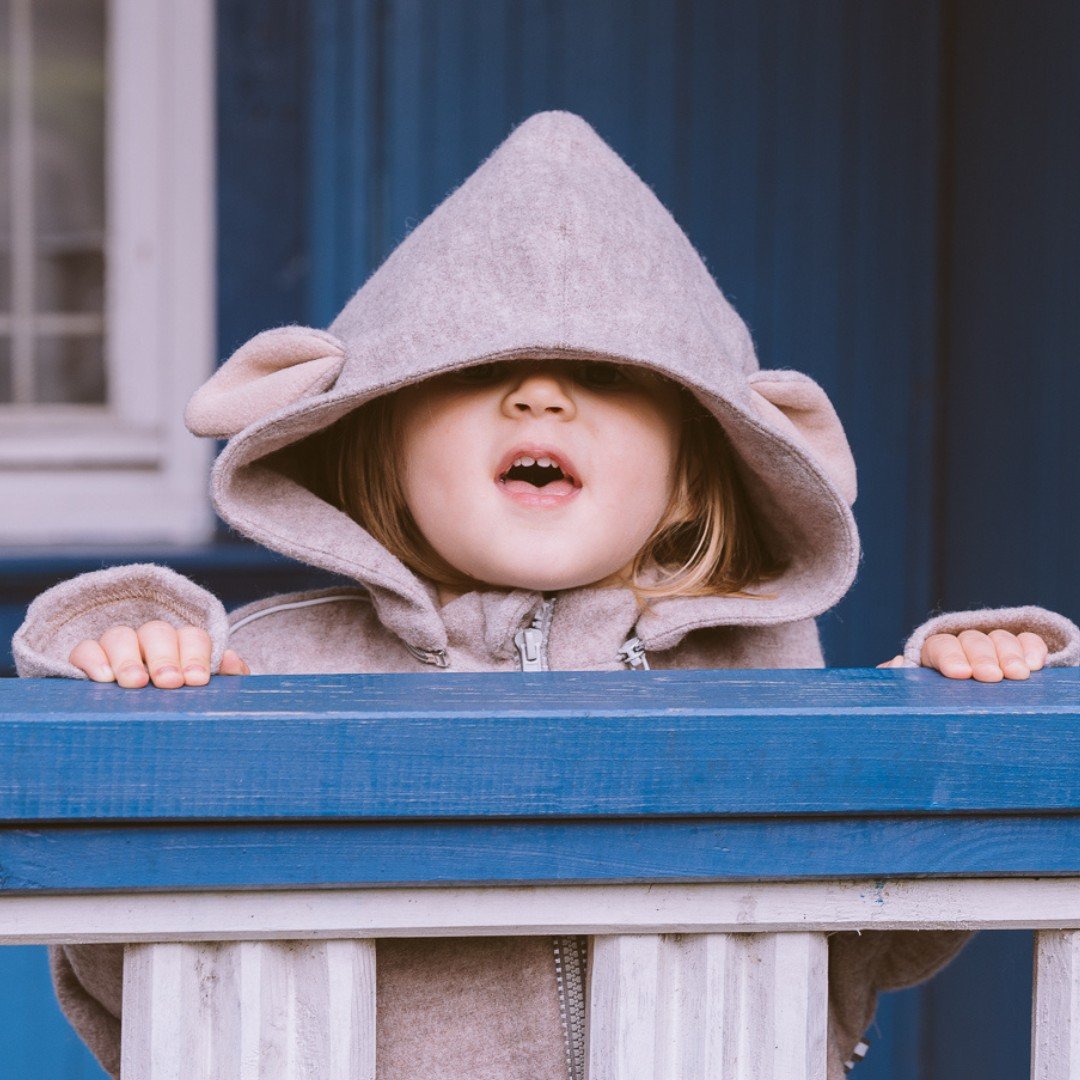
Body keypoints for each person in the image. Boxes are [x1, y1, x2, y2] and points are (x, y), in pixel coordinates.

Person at [14, 111, 1079, 1079]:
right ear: (377, 438)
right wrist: (125, 657)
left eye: (608, 375)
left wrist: (952, 711)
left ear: (687, 479)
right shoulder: (272, 666)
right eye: (477, 369)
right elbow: (129, 969)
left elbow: (879, 933)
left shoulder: (761, 666)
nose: (540, 394)